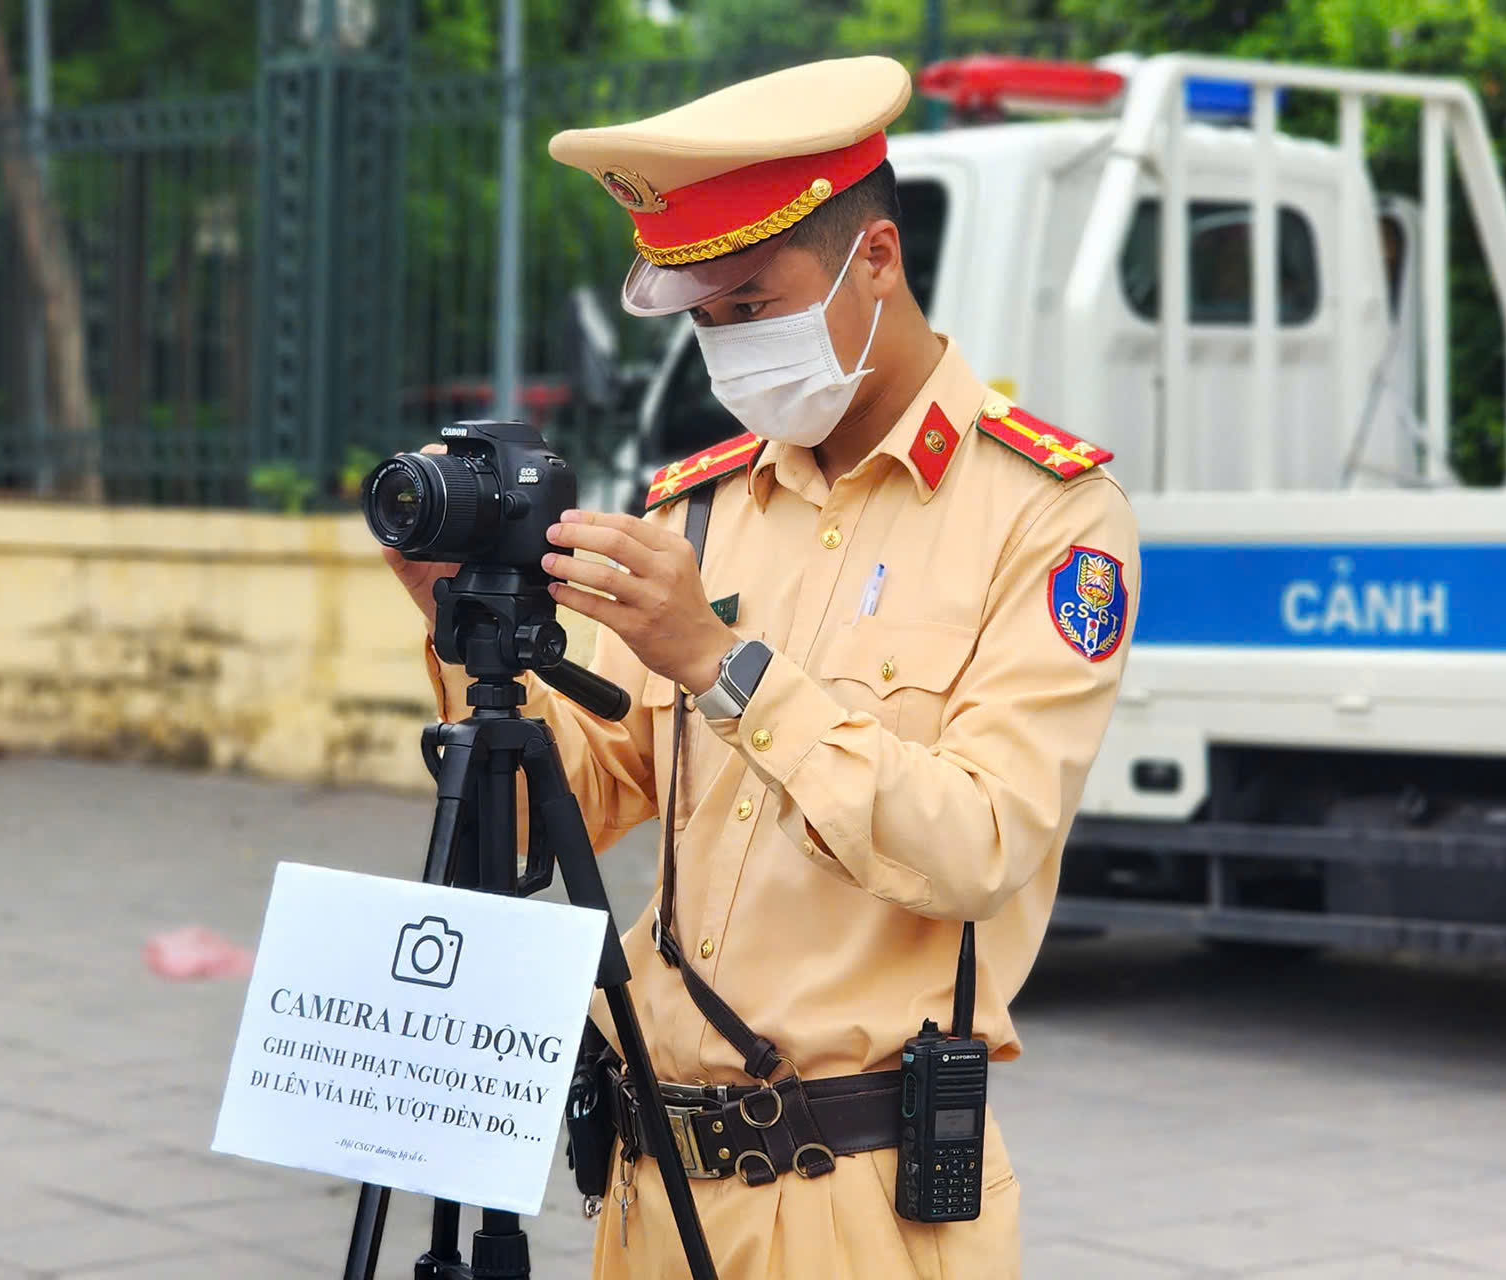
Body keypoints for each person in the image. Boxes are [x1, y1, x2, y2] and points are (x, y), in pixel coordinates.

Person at [384, 54, 1139, 1280]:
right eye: (705, 317)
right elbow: (555, 815)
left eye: (752, 303)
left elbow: (981, 843)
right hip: (644, 1184)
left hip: (863, 1202)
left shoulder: (1049, 516)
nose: (725, 343)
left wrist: (723, 665)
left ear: (875, 259)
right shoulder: (703, 507)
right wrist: (461, 636)